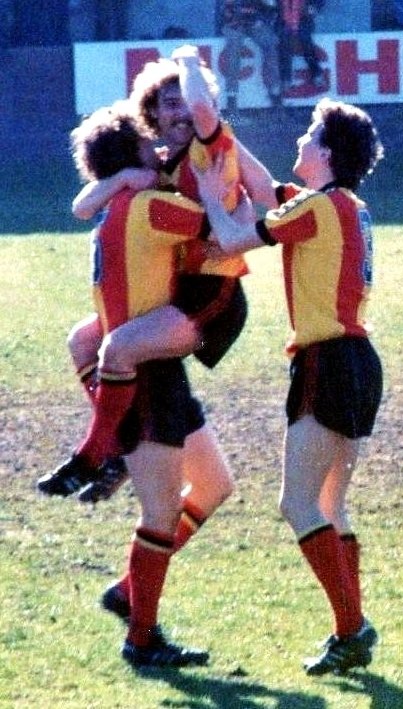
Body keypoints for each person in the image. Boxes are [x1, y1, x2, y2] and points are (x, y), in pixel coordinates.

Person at [195, 97, 384, 675]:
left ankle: (351, 629)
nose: (300, 140)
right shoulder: (342, 206)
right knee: (331, 504)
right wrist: (221, 135)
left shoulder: (318, 209)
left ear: (326, 152)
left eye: (309, 134)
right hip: (358, 361)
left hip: (326, 362)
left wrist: (207, 186)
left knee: (297, 502)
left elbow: (231, 236)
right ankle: (350, 630)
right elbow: (266, 187)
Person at [36, 46, 262, 503]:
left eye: (188, 101)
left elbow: (234, 225)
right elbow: (81, 206)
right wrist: (121, 179)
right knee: (83, 341)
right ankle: (118, 445)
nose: (182, 111)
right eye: (169, 103)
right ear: (153, 114)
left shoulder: (210, 144)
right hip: (173, 289)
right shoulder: (160, 167)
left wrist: (188, 61)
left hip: (211, 293)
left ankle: (97, 451)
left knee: (118, 349)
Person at [220, 0, 282, 113]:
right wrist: (235, 20)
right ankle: (232, 104)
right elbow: (224, 8)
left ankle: (276, 96)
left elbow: (272, 7)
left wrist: (261, 20)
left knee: (271, 44)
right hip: (234, 24)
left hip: (256, 23)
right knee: (233, 54)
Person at [277, 0, 325, 91]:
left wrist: (313, 7)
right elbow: (268, 5)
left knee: (307, 44)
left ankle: (317, 74)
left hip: (303, 20)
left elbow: (319, 2)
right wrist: (272, 12)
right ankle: (285, 79)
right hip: (282, 21)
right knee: (284, 47)